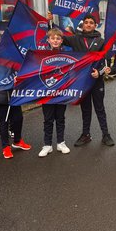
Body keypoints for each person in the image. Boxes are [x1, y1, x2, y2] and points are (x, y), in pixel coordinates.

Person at [61, 14, 115, 147]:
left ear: (95, 25)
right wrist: (49, 22)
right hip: (82, 82)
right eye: (86, 22)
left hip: (97, 81)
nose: (89, 25)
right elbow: (59, 38)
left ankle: (106, 134)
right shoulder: (75, 39)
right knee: (85, 109)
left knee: (99, 108)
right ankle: (86, 135)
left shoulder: (101, 41)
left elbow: (106, 62)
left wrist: (100, 72)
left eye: (91, 23)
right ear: (83, 25)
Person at [0, 35, 32, 159]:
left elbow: (21, 70)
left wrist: (17, 77)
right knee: (4, 121)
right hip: (0, 96)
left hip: (14, 94)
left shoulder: (11, 59)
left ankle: (17, 141)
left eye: (0, 45)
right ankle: (5, 147)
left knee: (18, 118)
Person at [38, 28, 71, 157]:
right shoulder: (41, 55)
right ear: (48, 40)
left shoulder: (67, 55)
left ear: (62, 41)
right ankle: (47, 145)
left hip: (61, 92)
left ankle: (61, 142)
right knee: (48, 119)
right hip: (47, 92)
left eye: (58, 38)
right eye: (53, 38)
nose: (55, 40)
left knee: (60, 118)